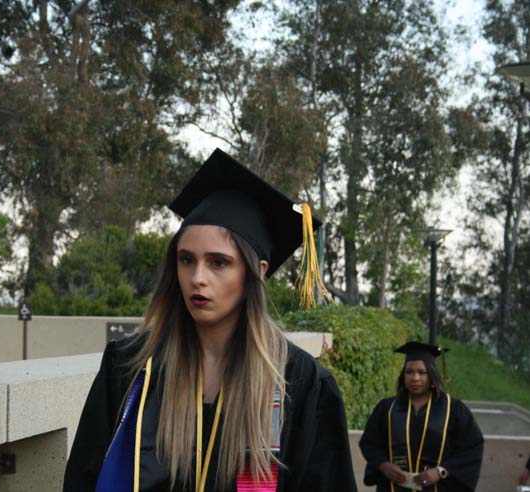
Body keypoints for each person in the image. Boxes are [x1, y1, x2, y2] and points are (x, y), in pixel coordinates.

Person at [63, 149, 357, 492]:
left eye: (218, 262)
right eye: (187, 260)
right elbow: (83, 479)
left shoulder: (300, 383)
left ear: (256, 273)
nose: (197, 278)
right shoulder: (132, 368)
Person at [359, 341, 484, 491]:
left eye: (421, 372)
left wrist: (440, 472)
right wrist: (383, 465)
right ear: (403, 375)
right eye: (409, 372)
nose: (415, 378)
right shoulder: (387, 408)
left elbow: (472, 448)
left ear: (431, 375)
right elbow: (369, 443)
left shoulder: (453, 409)